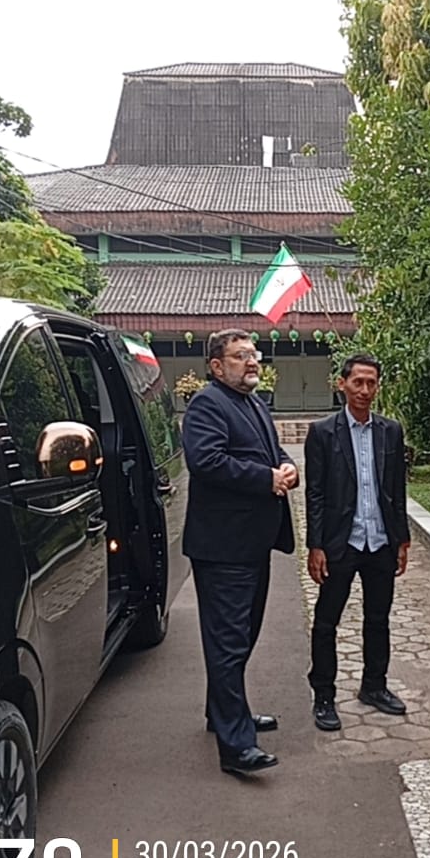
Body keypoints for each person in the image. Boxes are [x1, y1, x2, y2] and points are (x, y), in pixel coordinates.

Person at [182, 330, 298, 776]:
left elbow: (273, 451)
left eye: (254, 355)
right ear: (216, 366)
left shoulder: (253, 404)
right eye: (240, 356)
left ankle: (224, 714)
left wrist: (287, 467)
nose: (252, 362)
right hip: (223, 547)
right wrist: (266, 479)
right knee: (229, 642)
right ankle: (236, 747)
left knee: (242, 636)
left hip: (252, 543)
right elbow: (206, 462)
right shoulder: (207, 404)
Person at [305, 353, 410, 731]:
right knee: (326, 622)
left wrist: (402, 539)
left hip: (380, 541)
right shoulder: (323, 432)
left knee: (378, 619)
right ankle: (323, 695)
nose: (365, 390)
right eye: (358, 382)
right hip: (341, 543)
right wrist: (315, 545)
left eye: (371, 383)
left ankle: (374, 686)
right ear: (342, 384)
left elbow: (397, 488)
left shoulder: (390, 431)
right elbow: (315, 493)